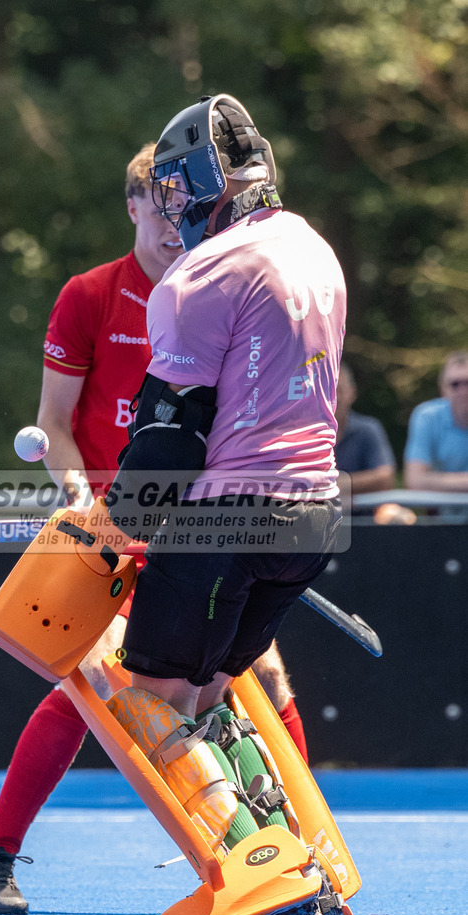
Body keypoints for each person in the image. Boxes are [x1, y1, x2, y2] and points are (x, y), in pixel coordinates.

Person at [0, 142, 308, 915]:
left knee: (265, 676)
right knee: (86, 691)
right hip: (112, 530)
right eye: (160, 199)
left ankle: (299, 853)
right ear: (134, 205)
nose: (175, 216)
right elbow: (54, 423)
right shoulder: (90, 296)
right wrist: (87, 506)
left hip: (202, 525)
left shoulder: (223, 286)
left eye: (185, 200)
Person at [104, 94, 345, 759]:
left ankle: (237, 829)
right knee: (211, 699)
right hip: (315, 513)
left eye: (177, 187)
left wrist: (111, 529)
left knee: (153, 708)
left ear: (209, 179)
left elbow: (169, 444)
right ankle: (265, 820)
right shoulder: (314, 247)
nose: (172, 206)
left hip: (227, 518)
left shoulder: (202, 274)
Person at [404, 350, 468, 494]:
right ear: (443, 389)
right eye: (455, 384)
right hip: (439, 509)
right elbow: (415, 481)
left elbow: (420, 480)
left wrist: (434, 481)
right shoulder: (427, 417)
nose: (463, 391)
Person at [335, 362, 396, 494]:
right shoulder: (302, 432)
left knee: (393, 507)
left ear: (352, 392)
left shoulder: (368, 429)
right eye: (328, 391)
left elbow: (386, 477)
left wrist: (331, 484)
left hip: (359, 506)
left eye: (340, 390)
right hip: (313, 506)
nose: (335, 398)